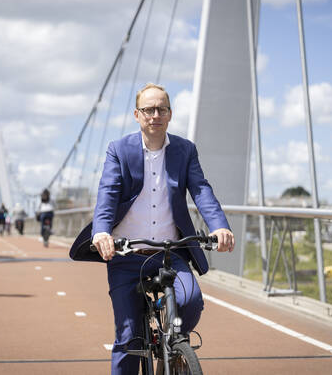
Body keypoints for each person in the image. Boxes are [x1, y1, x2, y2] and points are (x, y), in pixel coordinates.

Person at [69, 83, 235, 374]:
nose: (155, 115)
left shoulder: (185, 150)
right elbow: (108, 192)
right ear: (137, 114)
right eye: (148, 110)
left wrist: (219, 226)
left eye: (161, 109)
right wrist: (102, 231)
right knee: (129, 337)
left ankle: (170, 350)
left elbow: (201, 190)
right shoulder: (119, 150)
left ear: (170, 114)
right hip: (126, 256)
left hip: (170, 253)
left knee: (192, 302)